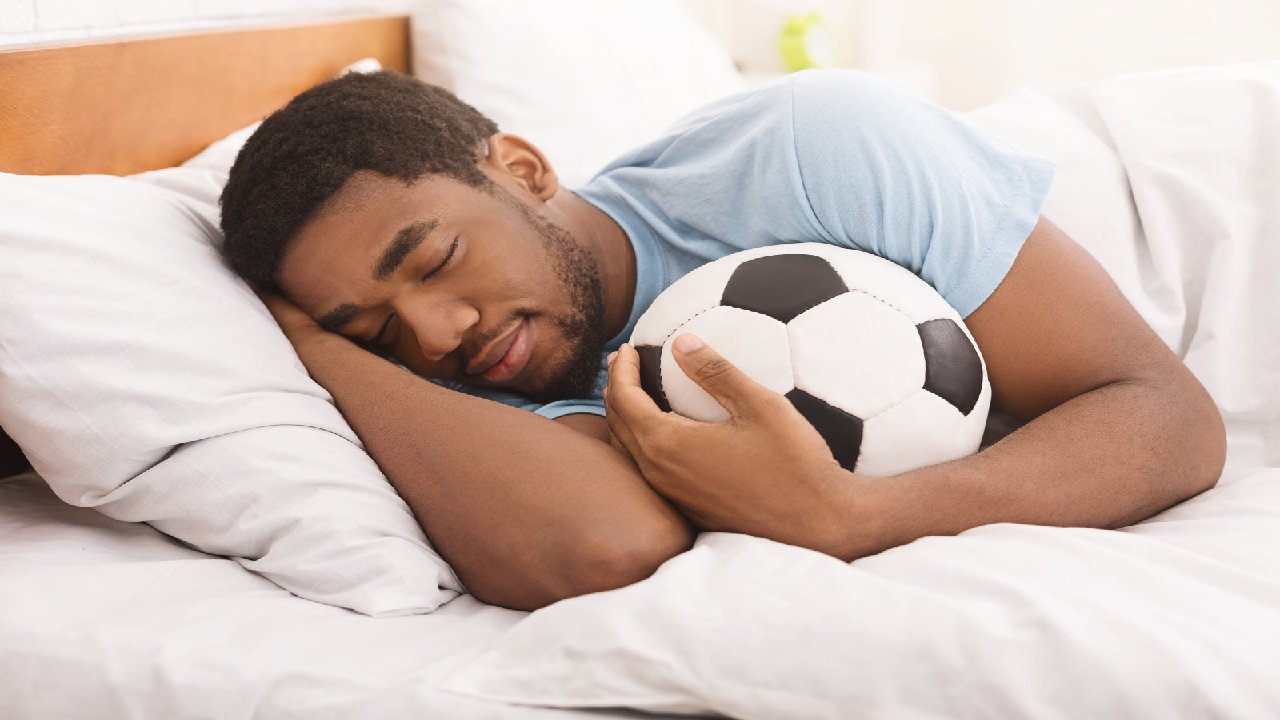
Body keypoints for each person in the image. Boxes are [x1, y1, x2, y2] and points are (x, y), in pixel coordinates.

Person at [218, 69, 1225, 611]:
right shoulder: (448, 394)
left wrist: (856, 518)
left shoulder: (813, 150)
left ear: (521, 170)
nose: (436, 334)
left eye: (434, 260)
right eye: (374, 323)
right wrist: (322, 353)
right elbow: (602, 546)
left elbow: (1166, 418)